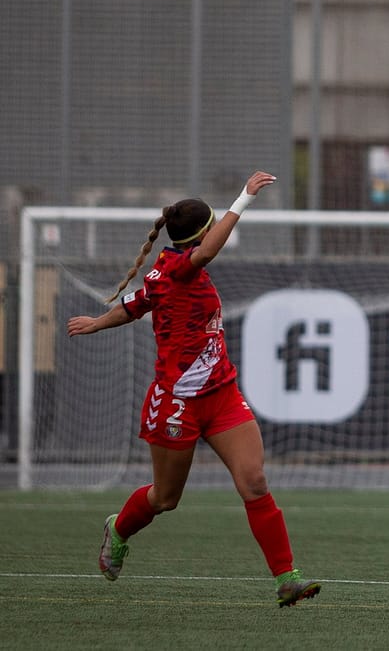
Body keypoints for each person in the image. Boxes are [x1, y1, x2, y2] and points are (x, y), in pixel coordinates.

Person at [67, 171, 321, 607]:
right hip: (176, 404)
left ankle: (286, 578)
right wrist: (243, 199)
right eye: (211, 229)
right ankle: (120, 529)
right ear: (202, 234)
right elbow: (173, 277)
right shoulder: (182, 268)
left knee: (255, 482)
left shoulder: (169, 268)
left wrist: (97, 320)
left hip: (221, 395)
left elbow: (133, 305)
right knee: (166, 498)